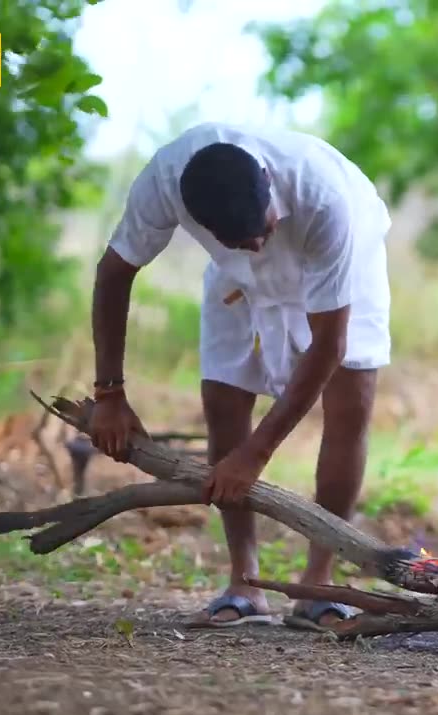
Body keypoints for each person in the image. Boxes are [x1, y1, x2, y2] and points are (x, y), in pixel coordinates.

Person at [86, 122, 391, 631]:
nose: (256, 245)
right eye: (240, 241)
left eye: (263, 233)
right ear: (197, 222)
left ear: (269, 181)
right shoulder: (164, 180)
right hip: (237, 286)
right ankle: (244, 582)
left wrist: (256, 454)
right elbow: (114, 272)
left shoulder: (326, 200)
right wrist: (109, 393)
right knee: (223, 402)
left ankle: (320, 583)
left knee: (349, 404)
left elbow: (329, 346)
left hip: (341, 261)